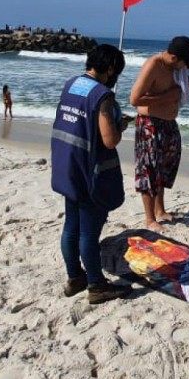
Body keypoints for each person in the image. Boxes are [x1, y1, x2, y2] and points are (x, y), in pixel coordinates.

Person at [51, 44, 133, 304]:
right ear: (110, 69)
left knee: (71, 227)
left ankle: (75, 277)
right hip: (90, 172)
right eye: (116, 71)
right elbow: (109, 140)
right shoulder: (103, 96)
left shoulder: (71, 84)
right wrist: (120, 125)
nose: (116, 77)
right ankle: (97, 285)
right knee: (88, 233)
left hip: (67, 164)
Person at [129, 36, 189, 230]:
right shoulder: (154, 65)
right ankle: (150, 218)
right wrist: (167, 97)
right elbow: (135, 99)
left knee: (166, 167)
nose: (185, 68)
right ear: (175, 57)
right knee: (149, 170)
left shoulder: (177, 67)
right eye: (185, 63)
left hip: (169, 123)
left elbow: (187, 78)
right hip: (149, 125)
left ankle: (160, 210)